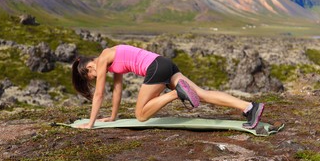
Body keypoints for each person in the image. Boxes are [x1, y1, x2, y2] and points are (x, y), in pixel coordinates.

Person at [71, 44, 264, 129]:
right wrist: (112, 117)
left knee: (141, 115)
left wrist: (91, 123)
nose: (95, 78)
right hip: (163, 63)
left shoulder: (104, 58)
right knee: (201, 94)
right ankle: (249, 107)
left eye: (91, 76)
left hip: (155, 68)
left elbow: (99, 94)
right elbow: (117, 90)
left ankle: (175, 94)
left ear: (89, 66)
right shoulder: (112, 56)